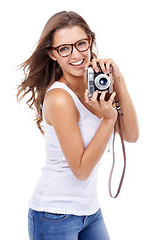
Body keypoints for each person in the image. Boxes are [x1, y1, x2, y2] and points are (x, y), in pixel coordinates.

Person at [17, 11, 139, 240]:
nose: (76, 54)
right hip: (53, 214)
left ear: (90, 41)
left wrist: (118, 79)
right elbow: (81, 170)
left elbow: (131, 135)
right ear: (52, 54)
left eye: (81, 43)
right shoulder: (59, 98)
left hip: (90, 212)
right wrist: (109, 119)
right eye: (64, 48)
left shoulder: (97, 85)